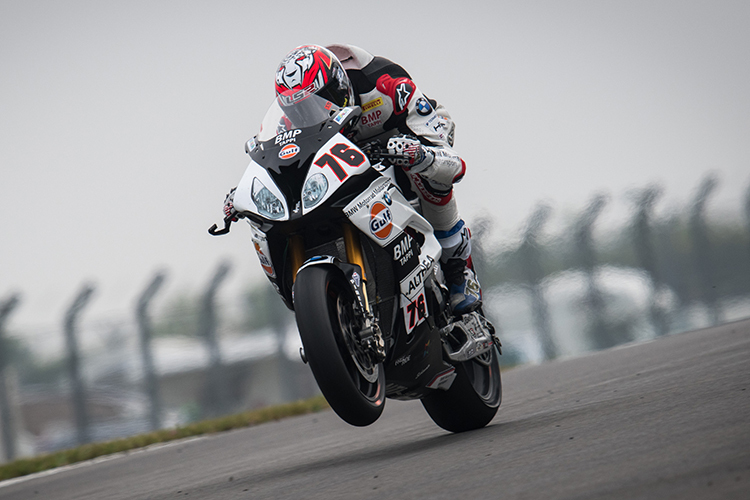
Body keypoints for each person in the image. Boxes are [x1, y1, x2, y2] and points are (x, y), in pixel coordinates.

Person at [267, 44, 482, 314]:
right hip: (348, 159)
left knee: (430, 177)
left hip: (410, 134)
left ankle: (458, 272)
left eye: (318, 103)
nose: (308, 115)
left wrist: (420, 154)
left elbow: (455, 165)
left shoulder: (385, 87)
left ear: (339, 87)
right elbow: (278, 161)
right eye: (298, 109)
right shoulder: (289, 124)